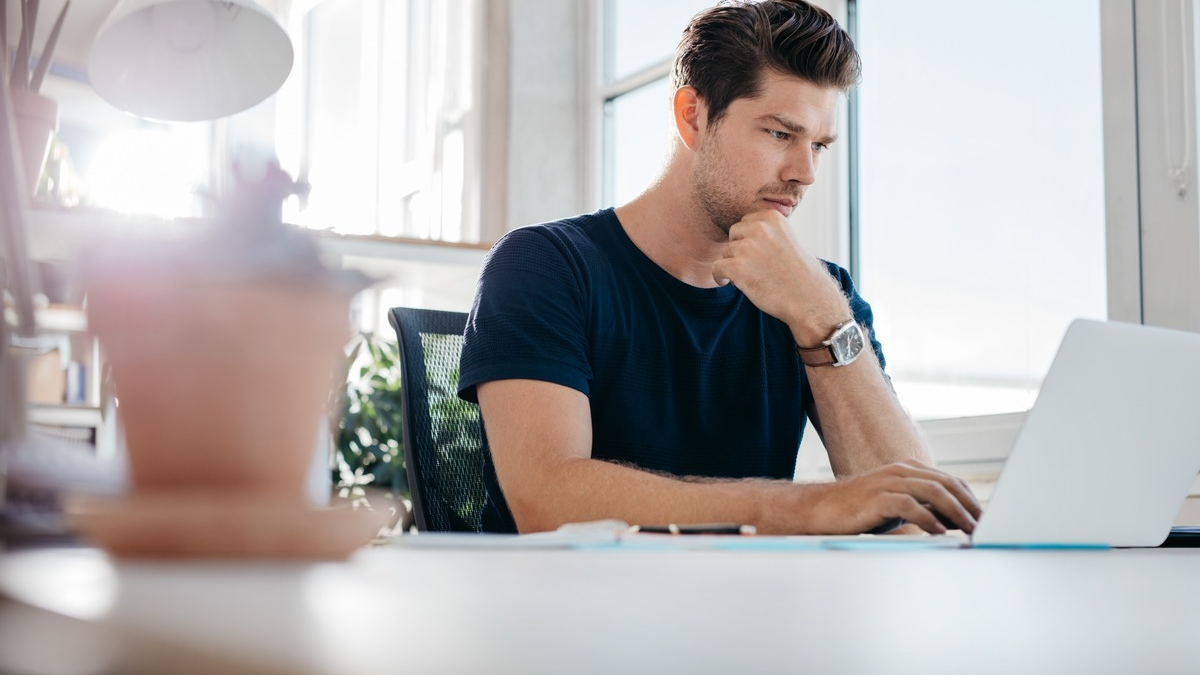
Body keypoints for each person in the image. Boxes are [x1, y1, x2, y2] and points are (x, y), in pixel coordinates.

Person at [458, 0, 981, 535]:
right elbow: (547, 501)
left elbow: (915, 516)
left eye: (819, 145)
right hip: (571, 610)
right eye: (780, 134)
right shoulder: (545, 266)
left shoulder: (817, 293)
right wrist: (803, 508)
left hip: (746, 611)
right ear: (693, 116)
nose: (805, 173)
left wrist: (822, 318)